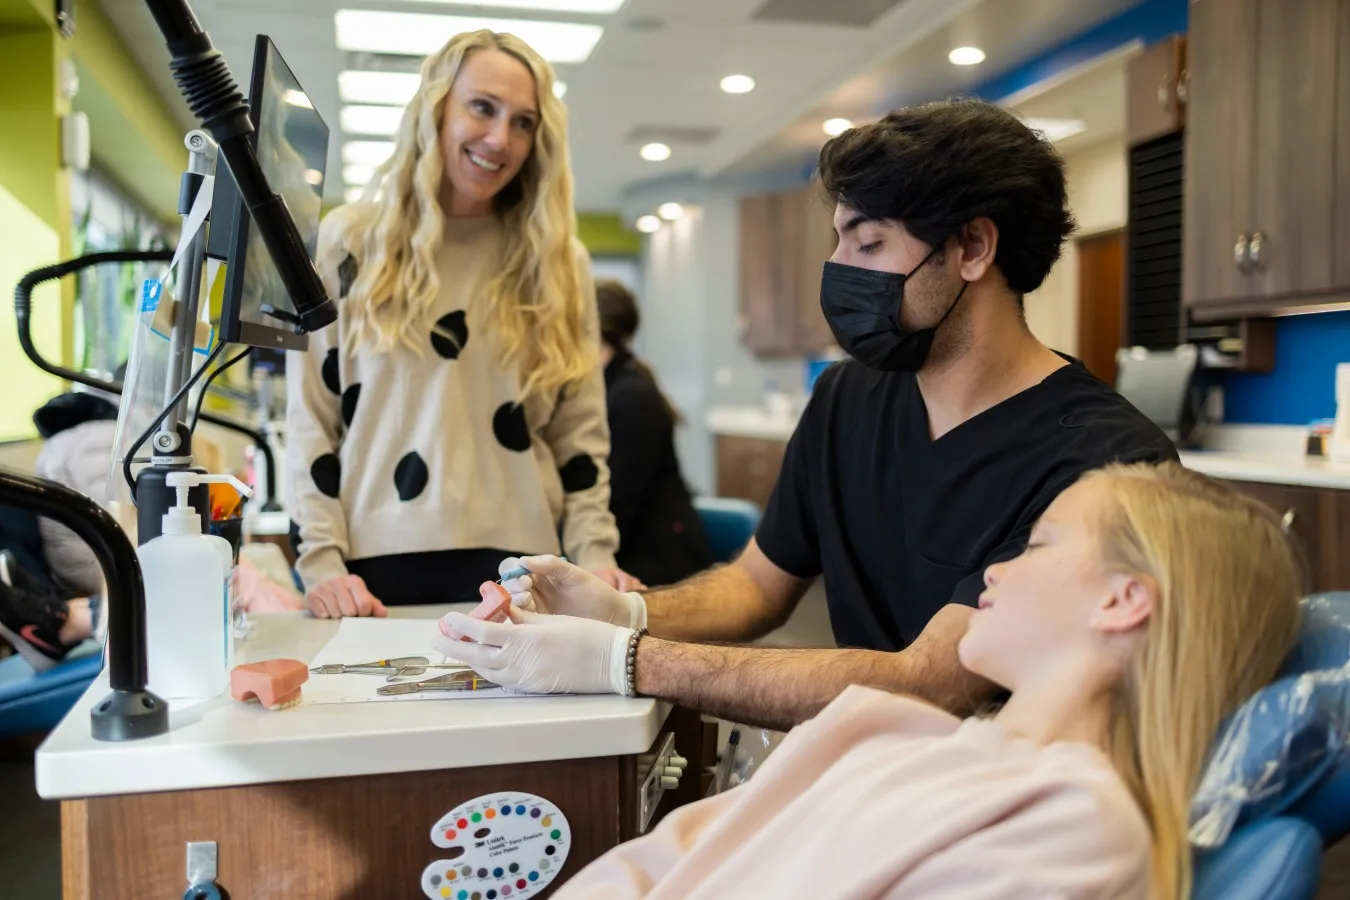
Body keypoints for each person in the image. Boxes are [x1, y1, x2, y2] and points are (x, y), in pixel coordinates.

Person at [434, 98, 1179, 728]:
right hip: (854, 774)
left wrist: (624, 662)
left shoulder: (1103, 463)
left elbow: (931, 683)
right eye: (839, 240)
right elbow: (757, 587)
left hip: (992, 803)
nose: (840, 269)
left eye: (870, 242)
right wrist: (623, 614)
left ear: (974, 247)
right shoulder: (847, 398)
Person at [525, 463, 1301, 899]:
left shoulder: (1075, 824)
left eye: (1039, 545)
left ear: (1122, 600)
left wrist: (618, 654)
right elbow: (677, 852)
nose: (994, 569)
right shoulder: (895, 734)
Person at [287, 30, 639, 617]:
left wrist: (596, 556)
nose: (501, 138)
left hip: (522, 569)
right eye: (482, 107)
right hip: (371, 572)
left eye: (523, 122)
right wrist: (320, 562)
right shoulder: (351, 242)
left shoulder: (556, 261)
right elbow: (311, 421)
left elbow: (580, 439)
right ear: (437, 109)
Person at [592, 278, 711, 586]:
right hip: (639, 549)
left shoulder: (632, 398)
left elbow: (619, 502)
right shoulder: (615, 384)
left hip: (658, 563)